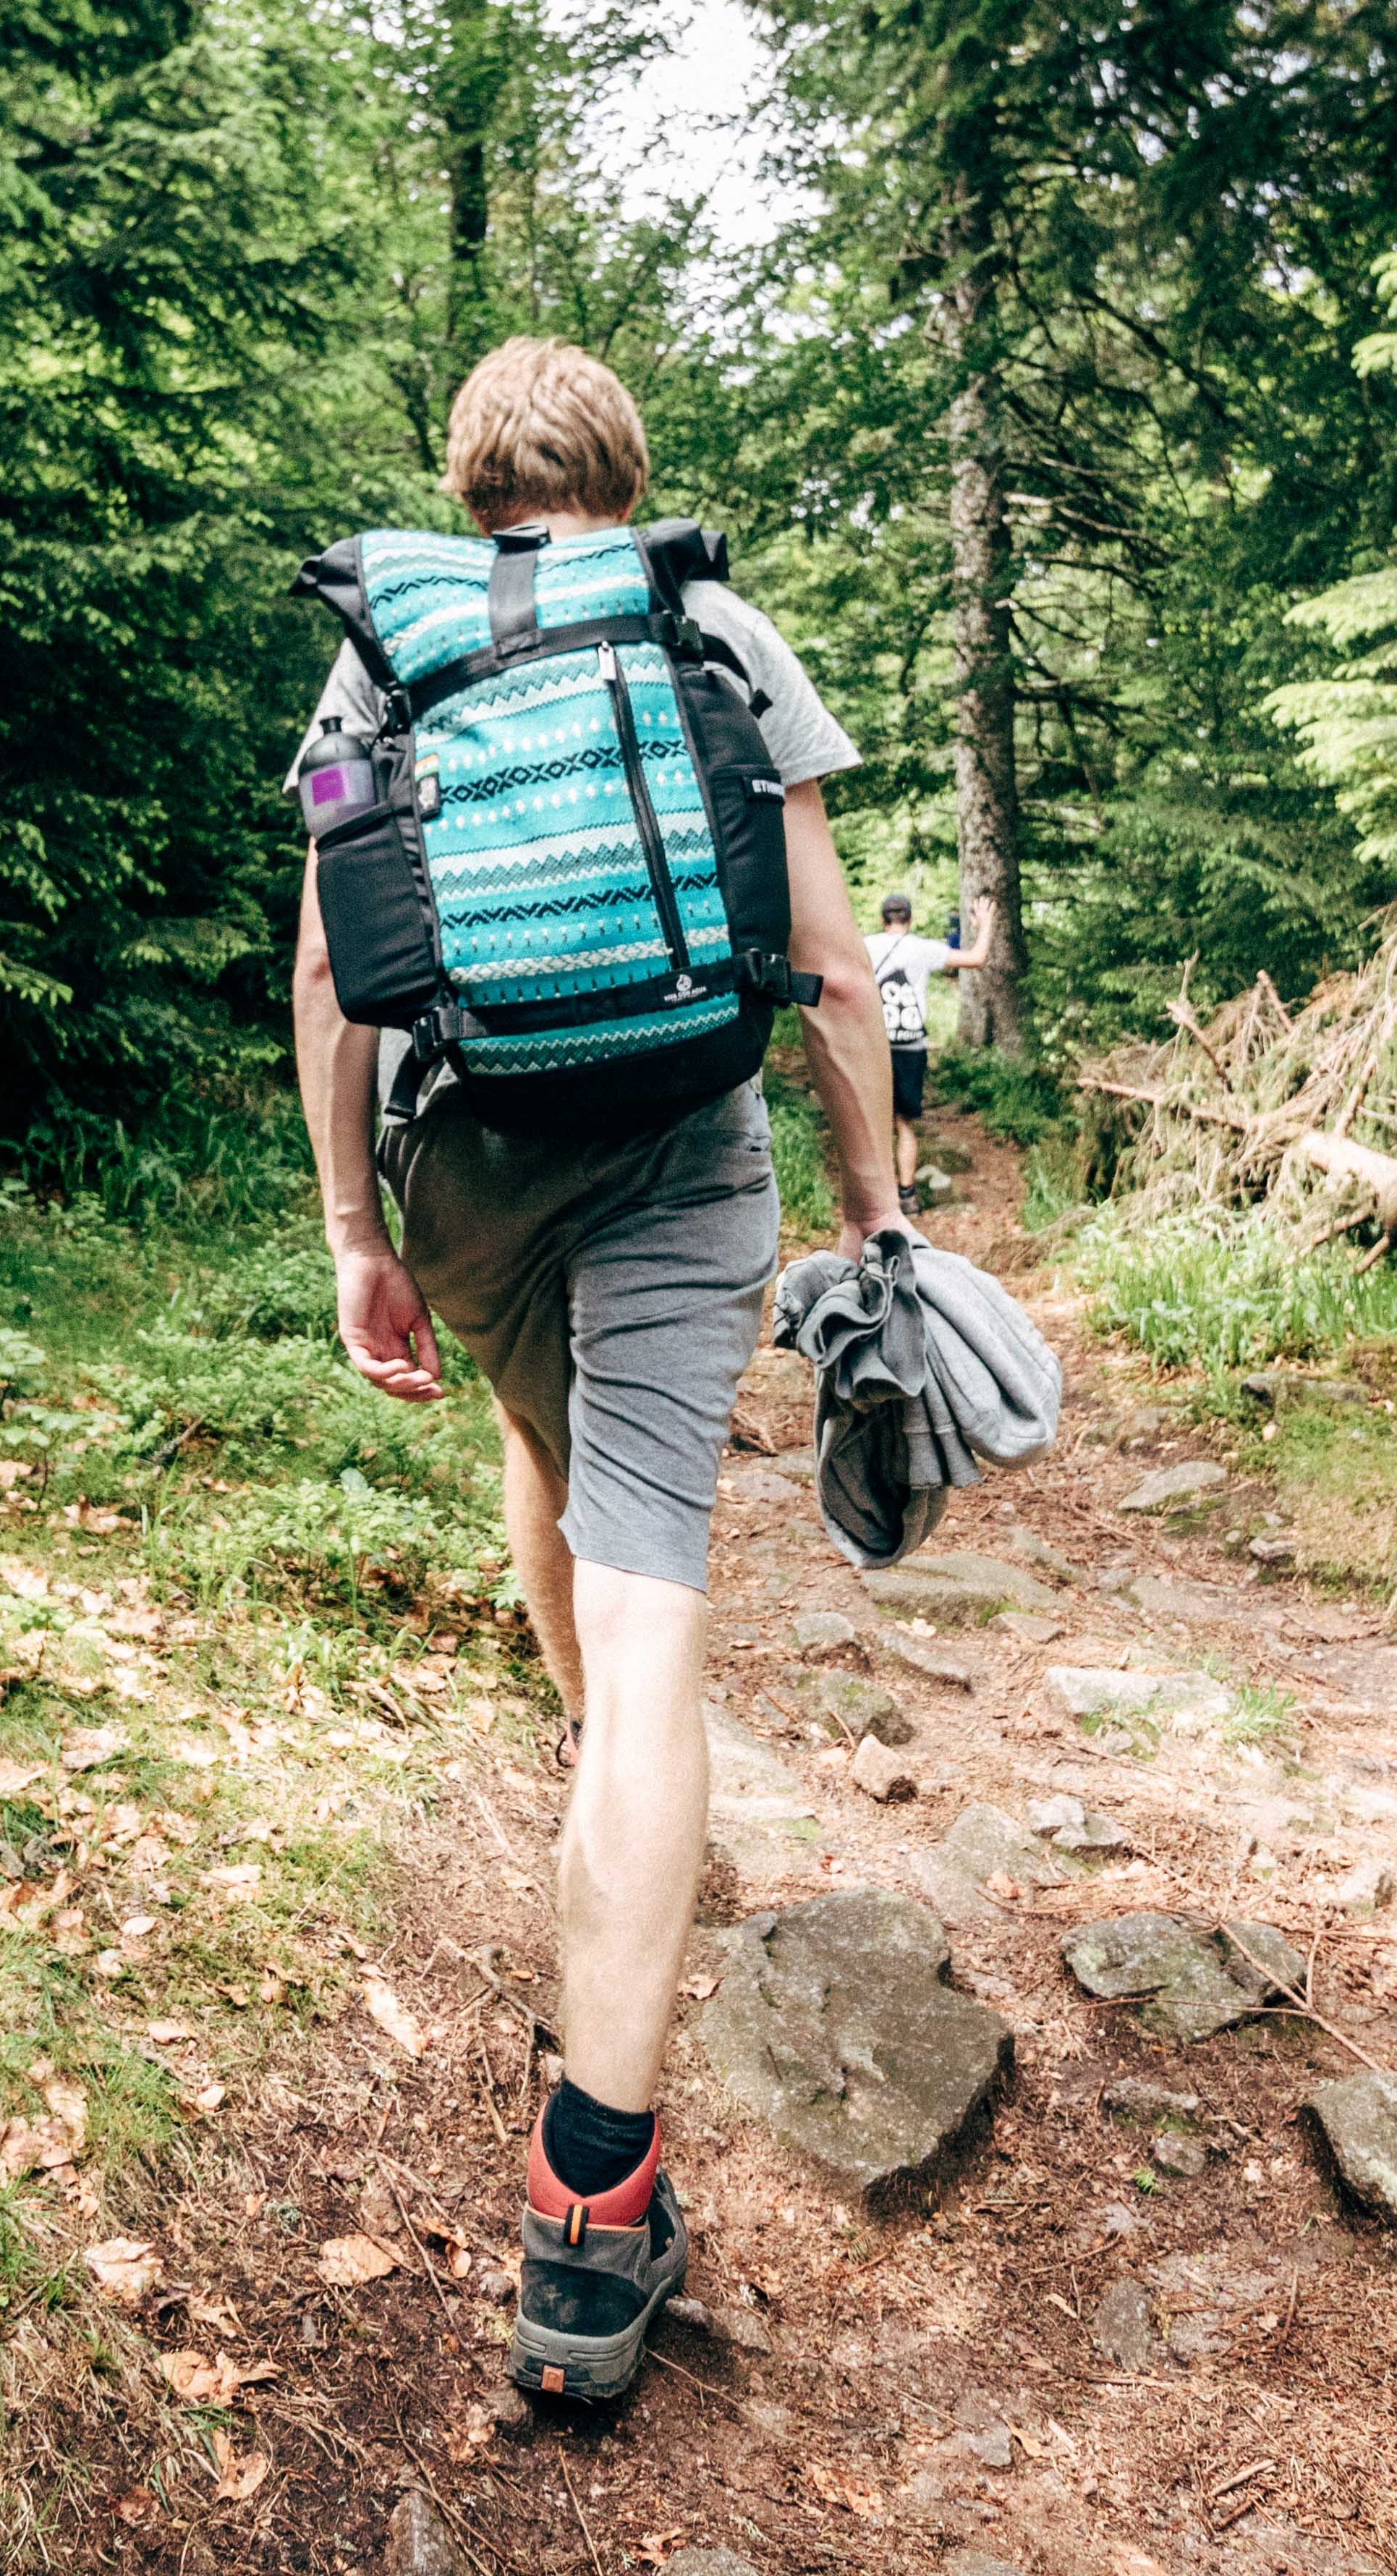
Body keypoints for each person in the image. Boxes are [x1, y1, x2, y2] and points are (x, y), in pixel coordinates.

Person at [289, 337, 910, 2405]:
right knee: (658, 1608)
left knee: (532, 1429)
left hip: (467, 1157)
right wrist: (873, 1206)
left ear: (466, 484)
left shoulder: (384, 653)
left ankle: (587, 1765)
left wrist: (356, 1234)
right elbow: (826, 960)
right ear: (626, 470)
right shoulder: (711, 623)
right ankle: (590, 2208)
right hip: (674, 1150)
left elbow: (325, 957)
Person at [862, 891, 990, 1206]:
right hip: (911, 1048)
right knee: (905, 1123)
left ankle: (877, 1199)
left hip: (875, 1048)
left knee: (875, 1125)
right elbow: (976, 959)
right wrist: (984, 925)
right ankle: (907, 1195)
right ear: (910, 919)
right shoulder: (924, 949)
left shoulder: (865, 946)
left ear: (883, 919)